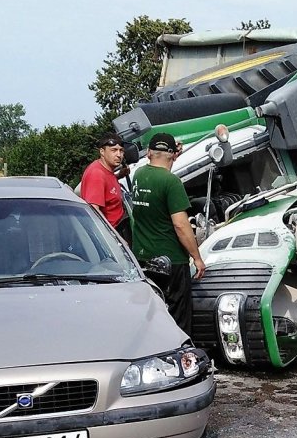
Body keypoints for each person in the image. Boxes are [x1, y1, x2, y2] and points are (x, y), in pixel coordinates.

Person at [130, 132, 206, 333]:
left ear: (148, 153)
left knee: (155, 311)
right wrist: (196, 257)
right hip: (171, 259)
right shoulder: (171, 182)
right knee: (178, 316)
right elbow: (181, 226)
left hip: (144, 257)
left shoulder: (139, 175)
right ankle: (181, 355)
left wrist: (172, 157)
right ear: (172, 155)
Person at [80, 134, 132, 245]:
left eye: (121, 151)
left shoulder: (106, 170)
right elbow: (94, 211)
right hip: (110, 235)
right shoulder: (96, 173)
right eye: (114, 150)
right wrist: (118, 239)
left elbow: (106, 187)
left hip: (120, 227)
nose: (119, 155)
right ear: (102, 152)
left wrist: (118, 176)